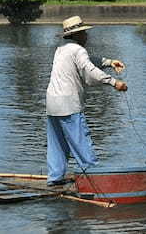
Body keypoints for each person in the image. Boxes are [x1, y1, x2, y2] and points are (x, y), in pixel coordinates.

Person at [45, 16, 128, 186]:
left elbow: (87, 62)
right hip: (69, 104)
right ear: (77, 35)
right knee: (81, 141)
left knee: (57, 144)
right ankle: (95, 179)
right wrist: (114, 82)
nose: (87, 36)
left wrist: (110, 62)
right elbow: (90, 71)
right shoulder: (78, 50)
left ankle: (55, 178)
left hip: (52, 103)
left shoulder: (61, 49)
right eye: (84, 33)